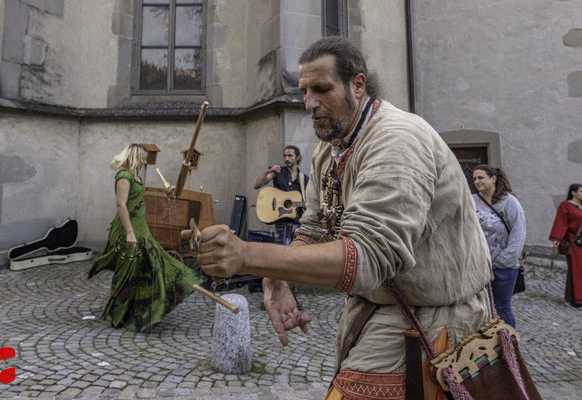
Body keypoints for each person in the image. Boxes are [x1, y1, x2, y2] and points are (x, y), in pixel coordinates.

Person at [185, 37, 491, 398]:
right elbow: (313, 227)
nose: (310, 104)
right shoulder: (328, 151)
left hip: (436, 317)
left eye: (322, 89)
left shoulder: (398, 141)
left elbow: (369, 257)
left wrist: (247, 255)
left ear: (357, 85)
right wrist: (281, 277)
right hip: (380, 309)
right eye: (304, 91)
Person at [89, 144, 200, 332]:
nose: (145, 160)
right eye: (143, 157)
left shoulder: (136, 176)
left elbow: (141, 196)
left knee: (151, 265)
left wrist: (168, 191)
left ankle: (143, 310)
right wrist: (130, 232)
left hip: (141, 229)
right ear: (135, 156)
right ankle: (119, 316)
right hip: (127, 230)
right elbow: (121, 205)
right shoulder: (123, 176)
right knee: (126, 273)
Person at [472, 165, 526, 327]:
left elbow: (518, 235)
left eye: (481, 177)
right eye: (474, 178)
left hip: (502, 268)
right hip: (478, 267)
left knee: (501, 308)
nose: (477, 181)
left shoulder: (509, 203)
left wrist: (500, 263)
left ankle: (509, 346)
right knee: (479, 309)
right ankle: (487, 347)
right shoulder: (472, 201)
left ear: (493, 179)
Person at [253, 145, 309, 245]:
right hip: (281, 220)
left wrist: (309, 204)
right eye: (285, 156)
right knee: (282, 252)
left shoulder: (304, 178)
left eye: (290, 156)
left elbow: (309, 200)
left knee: (296, 252)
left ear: (298, 157)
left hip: (298, 223)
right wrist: (267, 171)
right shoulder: (277, 172)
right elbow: (257, 185)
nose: (287, 159)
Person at [549, 183, 582, 309]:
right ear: (573, 193)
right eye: (581, 191)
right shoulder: (566, 205)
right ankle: (575, 299)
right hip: (574, 243)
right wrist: (557, 238)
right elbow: (561, 222)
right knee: (576, 271)